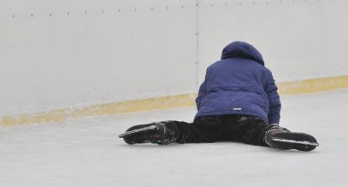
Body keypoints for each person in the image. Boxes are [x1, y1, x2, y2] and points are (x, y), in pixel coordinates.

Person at [119, 41, 318, 152]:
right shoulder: (261, 70)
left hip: (211, 116)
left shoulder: (214, 68)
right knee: (258, 134)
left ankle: (166, 129)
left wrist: (205, 115)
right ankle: (273, 135)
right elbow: (273, 101)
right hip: (247, 116)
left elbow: (202, 96)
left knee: (190, 132)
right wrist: (272, 123)